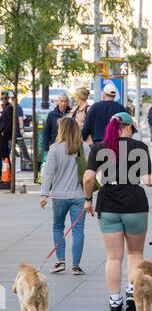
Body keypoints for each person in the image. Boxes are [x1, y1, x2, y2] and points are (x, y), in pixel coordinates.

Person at [83, 112, 152, 311]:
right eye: (134, 128)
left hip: (108, 203)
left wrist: (88, 199)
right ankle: (131, 292)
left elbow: (89, 178)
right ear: (127, 127)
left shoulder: (99, 148)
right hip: (135, 203)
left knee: (113, 257)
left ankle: (114, 302)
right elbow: (149, 180)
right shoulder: (139, 147)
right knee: (135, 253)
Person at [40, 117, 90, 275]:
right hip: (79, 196)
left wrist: (44, 194)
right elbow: (89, 174)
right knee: (78, 230)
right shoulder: (84, 148)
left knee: (58, 227)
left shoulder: (55, 148)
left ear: (62, 130)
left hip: (59, 196)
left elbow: (48, 173)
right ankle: (76, 266)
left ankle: (60, 261)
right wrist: (89, 197)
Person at [0, 90, 13, 179]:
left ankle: (8, 174)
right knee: (3, 155)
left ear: (8, 98)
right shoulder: (5, 107)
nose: (3, 99)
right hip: (3, 135)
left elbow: (9, 122)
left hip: (4, 136)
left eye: (5, 98)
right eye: (2, 98)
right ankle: (5, 173)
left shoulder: (9, 108)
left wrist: (4, 131)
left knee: (4, 155)